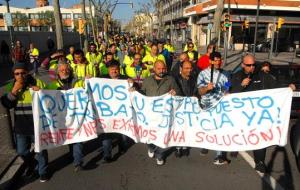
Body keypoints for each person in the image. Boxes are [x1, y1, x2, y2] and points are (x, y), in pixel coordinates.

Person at [1, 62, 49, 182]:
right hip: (20, 127)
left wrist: (41, 91)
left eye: (23, 73)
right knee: (21, 151)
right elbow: (6, 104)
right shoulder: (11, 86)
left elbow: (50, 98)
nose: (20, 76)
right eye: (17, 74)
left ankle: (43, 171)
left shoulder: (37, 83)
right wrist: (14, 92)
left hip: (36, 125)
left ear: (27, 73)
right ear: (14, 75)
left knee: (40, 150)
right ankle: (33, 164)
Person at [230, 54, 277, 173]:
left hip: (257, 115)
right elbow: (227, 90)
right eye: (248, 65)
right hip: (241, 114)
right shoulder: (236, 75)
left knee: (260, 135)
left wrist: (288, 88)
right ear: (242, 65)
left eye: (253, 65)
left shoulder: (262, 75)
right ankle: (235, 147)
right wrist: (240, 85)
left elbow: (276, 86)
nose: (252, 67)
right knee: (239, 133)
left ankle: (260, 161)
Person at [140, 60, 181, 165]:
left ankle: (159, 155)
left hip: (164, 115)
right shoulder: (147, 80)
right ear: (154, 69)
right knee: (150, 136)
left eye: (163, 68)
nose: (162, 71)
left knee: (163, 136)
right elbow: (141, 94)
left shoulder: (170, 79)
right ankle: (151, 147)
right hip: (149, 115)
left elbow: (179, 93)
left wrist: (175, 92)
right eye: (159, 69)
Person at [46, 61, 84, 172]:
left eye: (67, 69)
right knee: (69, 137)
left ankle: (78, 162)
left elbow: (87, 89)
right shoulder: (53, 85)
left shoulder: (78, 82)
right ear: (58, 72)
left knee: (78, 138)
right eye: (62, 70)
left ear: (70, 70)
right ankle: (72, 153)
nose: (65, 71)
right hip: (62, 117)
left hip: (77, 115)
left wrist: (89, 80)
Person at [197, 51, 230, 165]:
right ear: (210, 61)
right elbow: (200, 92)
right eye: (215, 60)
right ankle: (206, 144)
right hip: (207, 105)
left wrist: (226, 91)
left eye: (219, 60)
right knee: (209, 128)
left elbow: (227, 86)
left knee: (219, 129)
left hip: (220, 106)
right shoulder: (203, 74)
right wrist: (207, 88)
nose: (218, 62)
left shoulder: (226, 73)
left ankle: (219, 156)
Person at [100, 60, 133, 162]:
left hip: (121, 113)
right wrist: (88, 79)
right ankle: (107, 155)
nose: (114, 71)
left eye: (116, 69)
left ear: (119, 69)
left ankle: (122, 147)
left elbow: (135, 89)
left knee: (122, 134)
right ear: (108, 70)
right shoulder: (101, 78)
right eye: (112, 69)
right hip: (107, 113)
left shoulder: (125, 79)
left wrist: (132, 86)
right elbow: (91, 85)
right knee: (107, 133)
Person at [174, 61, 198, 157]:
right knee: (178, 128)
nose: (189, 70)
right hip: (178, 107)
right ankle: (178, 148)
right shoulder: (175, 79)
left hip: (190, 107)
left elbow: (196, 91)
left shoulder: (194, 79)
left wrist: (195, 96)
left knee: (187, 128)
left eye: (190, 68)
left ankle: (185, 146)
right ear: (181, 69)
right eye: (186, 68)